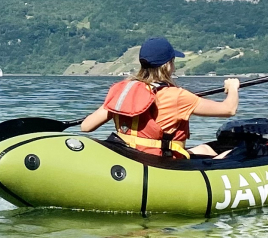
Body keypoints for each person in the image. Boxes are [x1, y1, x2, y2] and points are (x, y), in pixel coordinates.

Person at [79, 37, 240, 158]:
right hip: (158, 164)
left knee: (204, 149)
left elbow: (86, 126)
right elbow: (229, 109)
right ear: (168, 65)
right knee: (234, 153)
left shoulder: (122, 90)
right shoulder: (177, 96)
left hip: (127, 157)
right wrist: (232, 88)